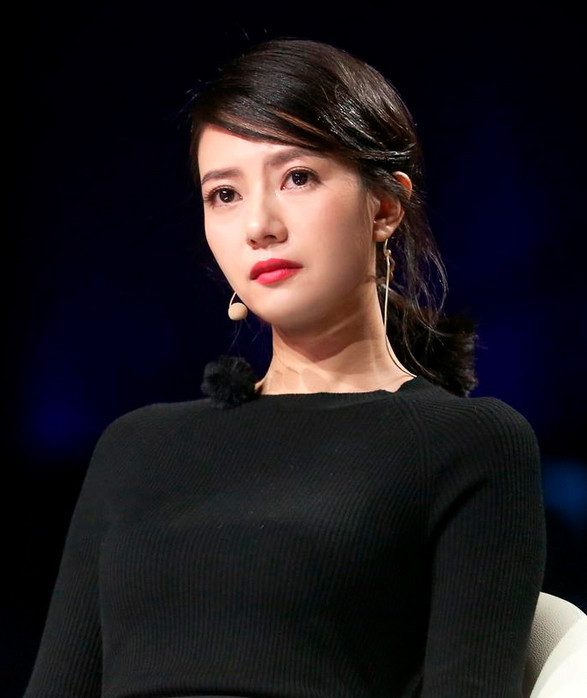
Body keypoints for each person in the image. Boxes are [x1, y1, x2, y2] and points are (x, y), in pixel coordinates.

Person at [23, 38, 547, 698]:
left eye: (297, 177)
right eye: (224, 194)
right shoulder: (136, 445)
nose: (259, 225)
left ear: (385, 207)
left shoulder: (464, 445)